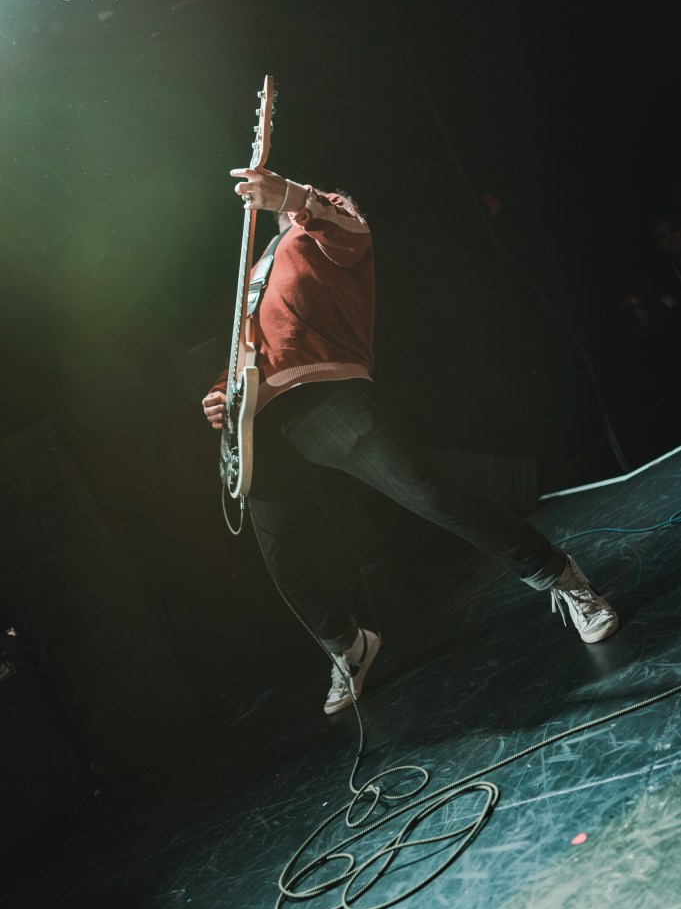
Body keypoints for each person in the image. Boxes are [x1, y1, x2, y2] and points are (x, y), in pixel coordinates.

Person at [202, 167, 619, 716]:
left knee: (431, 495)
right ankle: (349, 648)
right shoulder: (256, 267)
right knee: (284, 558)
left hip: (325, 391)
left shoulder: (324, 226)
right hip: (263, 421)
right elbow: (243, 352)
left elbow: (349, 228)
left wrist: (299, 197)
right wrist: (220, 393)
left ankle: (560, 576)